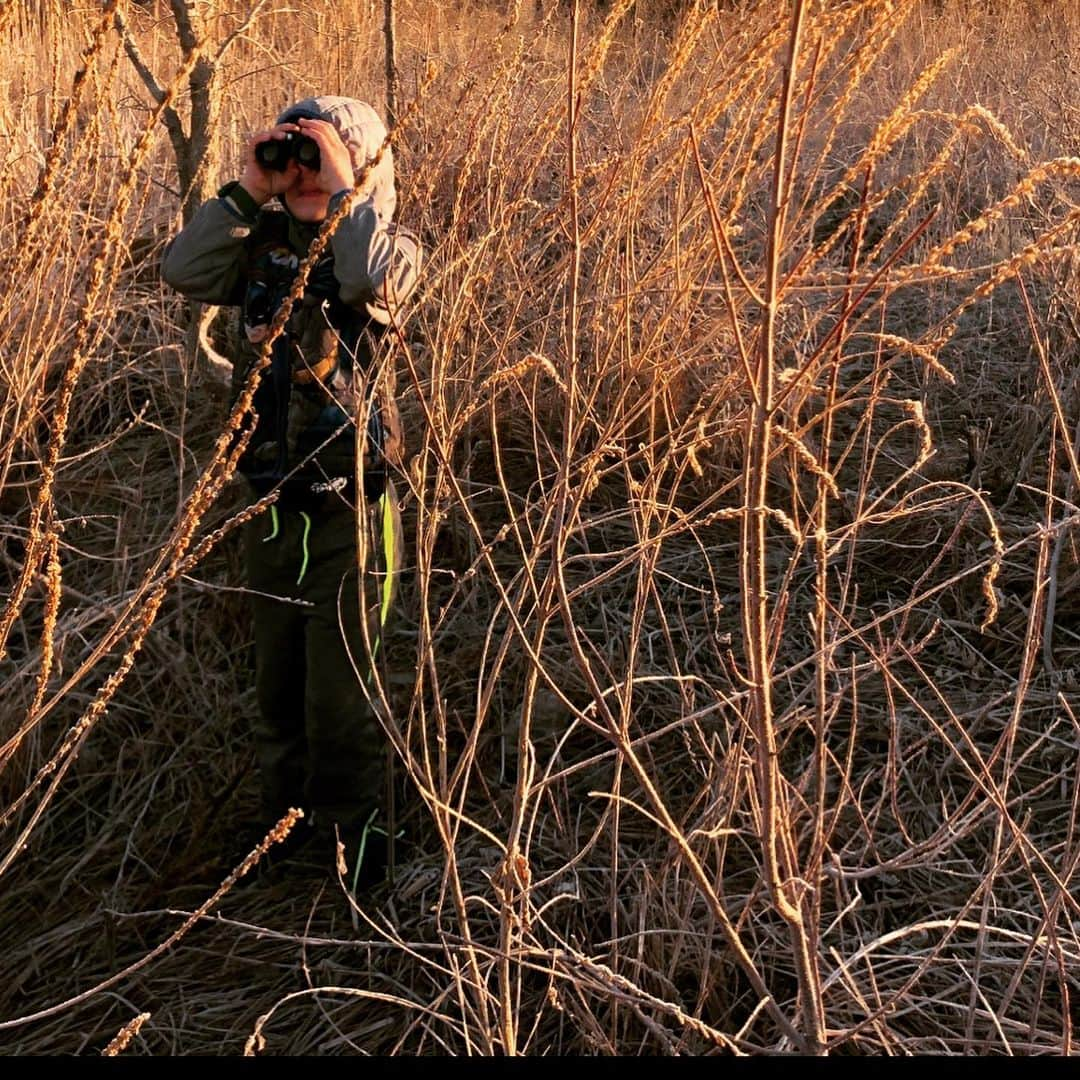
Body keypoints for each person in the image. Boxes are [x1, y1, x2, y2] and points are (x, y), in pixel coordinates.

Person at [162, 97, 421, 888]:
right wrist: (247, 191)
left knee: (343, 692)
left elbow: (372, 279)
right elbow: (183, 270)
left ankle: (359, 849)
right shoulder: (259, 246)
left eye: (324, 160)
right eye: (297, 159)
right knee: (277, 684)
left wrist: (344, 197)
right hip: (271, 502)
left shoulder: (388, 246)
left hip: (355, 506)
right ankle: (283, 829)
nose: (305, 175)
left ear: (366, 171)